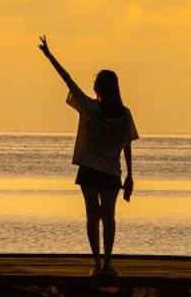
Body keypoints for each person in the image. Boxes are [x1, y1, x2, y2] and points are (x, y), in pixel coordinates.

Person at [37, 36, 138, 275]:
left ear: (99, 89)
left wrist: (50, 56)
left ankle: (96, 264)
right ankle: (107, 263)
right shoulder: (124, 114)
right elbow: (127, 144)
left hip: (91, 170)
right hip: (112, 172)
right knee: (109, 218)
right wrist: (130, 175)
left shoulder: (91, 108)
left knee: (93, 216)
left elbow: (68, 80)